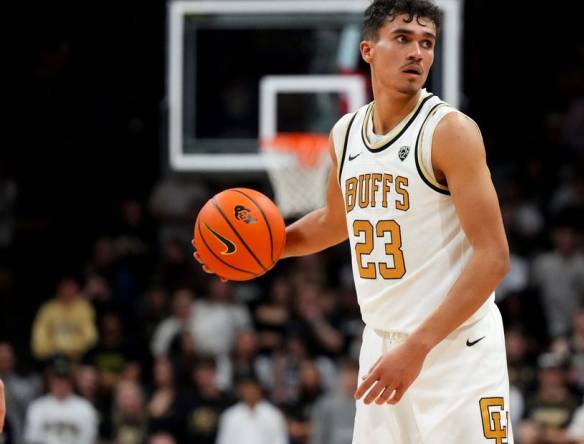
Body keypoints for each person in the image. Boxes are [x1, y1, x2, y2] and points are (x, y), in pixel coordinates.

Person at [194, 0, 512, 441]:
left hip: (454, 348)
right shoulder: (345, 133)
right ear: (367, 50)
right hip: (382, 344)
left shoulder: (449, 132)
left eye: (427, 43)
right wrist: (264, 250)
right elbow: (336, 220)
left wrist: (418, 347)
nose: (417, 53)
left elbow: (493, 257)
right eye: (402, 39)